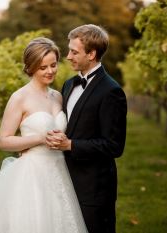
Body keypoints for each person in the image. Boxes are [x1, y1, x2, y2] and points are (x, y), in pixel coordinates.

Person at [0, 37, 88, 233]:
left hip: (60, 171)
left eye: (53, 65)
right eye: (42, 67)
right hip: (32, 174)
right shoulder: (19, 97)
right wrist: (40, 139)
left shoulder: (58, 96)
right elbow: (4, 141)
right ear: (30, 68)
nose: (50, 71)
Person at [46, 24, 127, 233]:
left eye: (74, 51)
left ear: (91, 54)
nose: (68, 56)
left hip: (94, 190)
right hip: (64, 182)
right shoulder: (69, 84)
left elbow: (114, 146)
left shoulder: (112, 91)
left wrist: (70, 144)